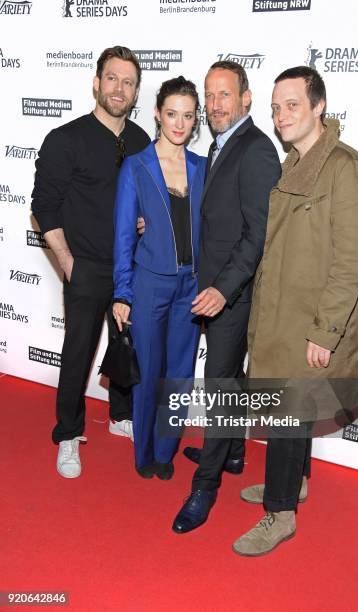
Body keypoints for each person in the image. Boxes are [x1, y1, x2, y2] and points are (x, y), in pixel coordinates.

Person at [232, 66, 358, 556]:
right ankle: (294, 484)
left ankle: (280, 514)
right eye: (275, 108)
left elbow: (354, 259)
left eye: (292, 104)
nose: (281, 116)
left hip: (312, 322)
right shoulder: (294, 163)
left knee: (288, 412)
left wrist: (327, 330)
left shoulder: (345, 167)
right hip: (282, 316)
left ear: (319, 106)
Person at [172, 61, 281, 533]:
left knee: (218, 386)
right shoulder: (220, 145)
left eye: (224, 95)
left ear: (246, 98)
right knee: (229, 378)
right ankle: (233, 450)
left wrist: (223, 288)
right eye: (210, 96)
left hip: (232, 295)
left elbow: (258, 234)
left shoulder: (255, 149)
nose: (215, 105)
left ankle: (205, 485)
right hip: (217, 290)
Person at [31, 46, 150, 479]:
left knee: (125, 345)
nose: (120, 89)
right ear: (97, 83)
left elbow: (146, 203)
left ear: (136, 92)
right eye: (113, 79)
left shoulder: (140, 142)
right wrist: (67, 262)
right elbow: (44, 206)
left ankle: (120, 415)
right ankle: (68, 433)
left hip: (129, 269)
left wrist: (143, 223)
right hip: (84, 267)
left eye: (129, 82)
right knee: (78, 352)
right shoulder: (66, 139)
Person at [112, 76, 206, 480]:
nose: (179, 123)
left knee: (180, 375)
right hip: (150, 282)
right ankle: (144, 453)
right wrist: (123, 292)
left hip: (192, 286)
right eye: (172, 114)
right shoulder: (137, 166)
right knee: (148, 371)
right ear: (157, 113)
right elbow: (121, 235)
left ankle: (166, 451)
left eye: (187, 115)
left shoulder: (204, 167)